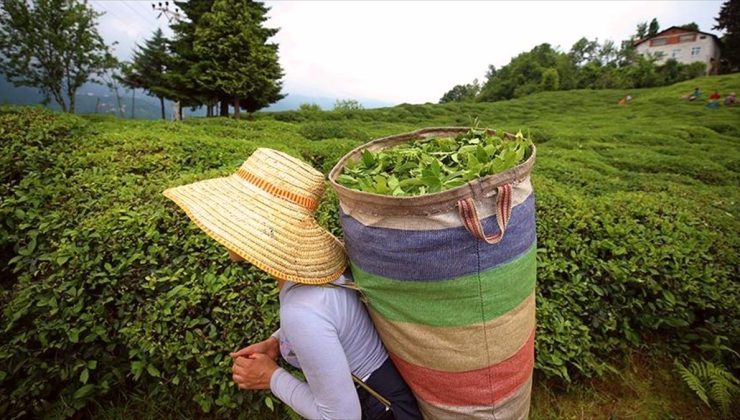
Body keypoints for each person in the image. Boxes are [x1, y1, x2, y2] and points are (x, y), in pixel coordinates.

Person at [163, 148, 422, 420]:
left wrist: (270, 377)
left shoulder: (301, 311)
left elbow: (340, 416)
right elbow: (332, 322)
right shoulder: (316, 280)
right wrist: (276, 343)